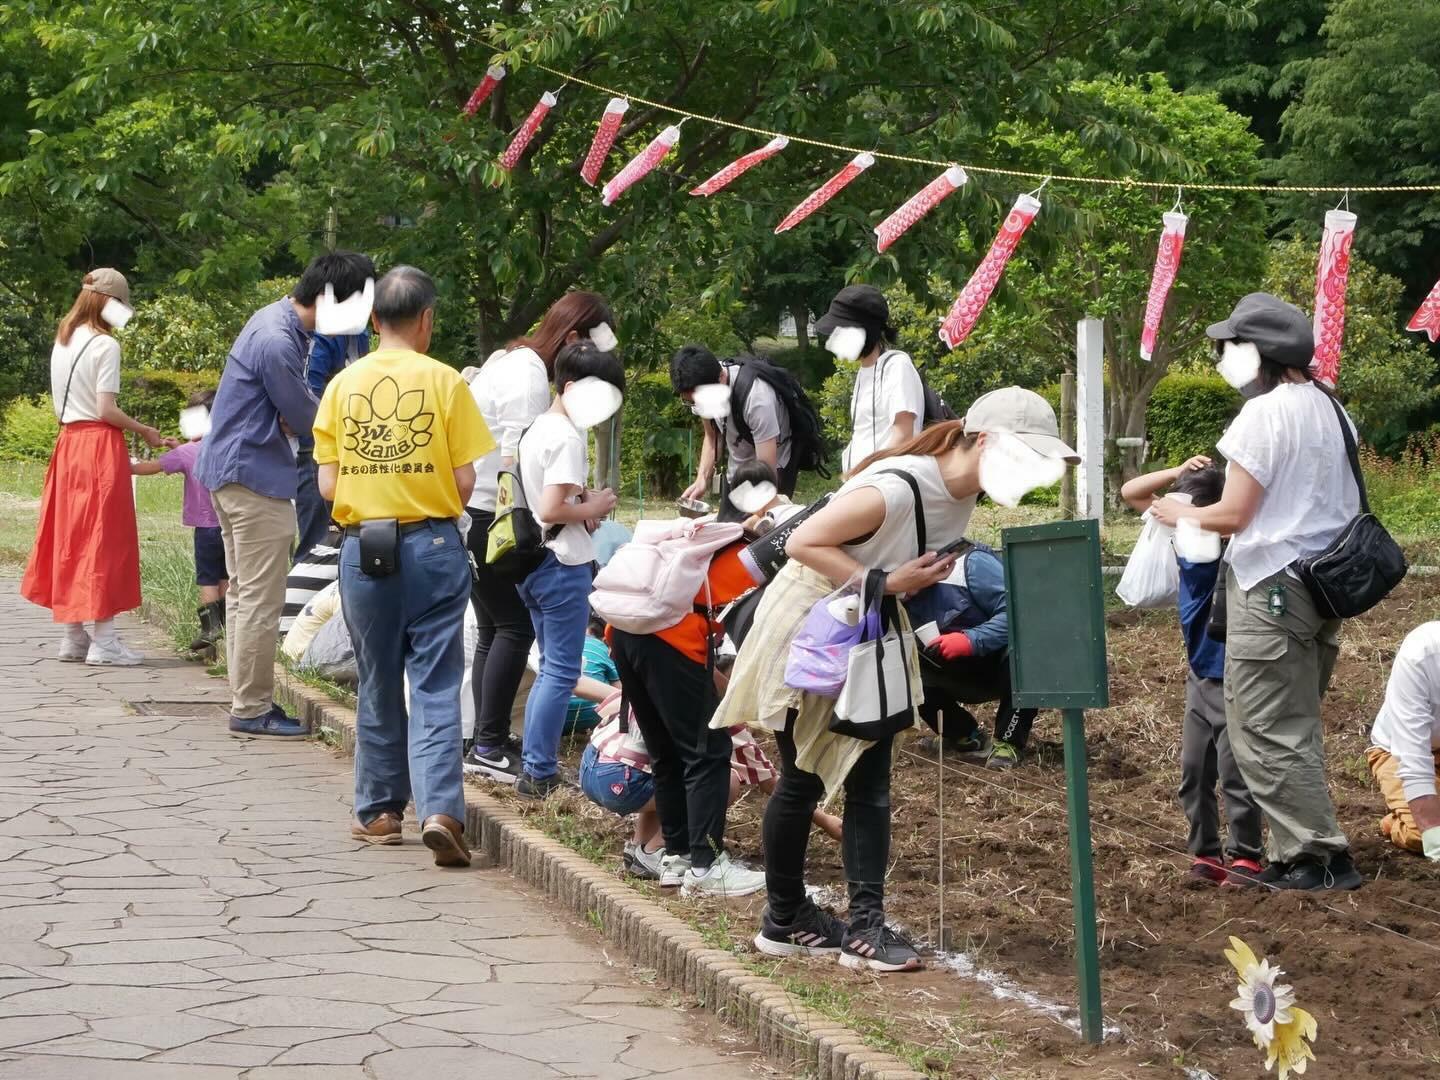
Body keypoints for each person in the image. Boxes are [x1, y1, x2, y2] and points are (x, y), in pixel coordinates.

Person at [715, 388, 1077, 971]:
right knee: (805, 777)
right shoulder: (895, 487)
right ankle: (792, 918)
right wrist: (883, 581)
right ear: (984, 441)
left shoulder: (960, 495)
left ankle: (850, 924)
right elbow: (805, 544)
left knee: (868, 777)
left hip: (869, 624)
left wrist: (893, 594)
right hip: (816, 627)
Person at [1150, 292, 1364, 892]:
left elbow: (1236, 514)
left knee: (1263, 726)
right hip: (1323, 587)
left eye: (1231, 349)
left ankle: (1316, 856)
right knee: (1296, 722)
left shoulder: (1264, 414)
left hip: (1272, 586)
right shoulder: (1331, 408)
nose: (1224, 360)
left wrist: (1178, 512)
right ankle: (1299, 849)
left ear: (1260, 353)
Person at [313, 265, 494, 869]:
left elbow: (326, 480)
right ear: (426, 321)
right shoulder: (446, 383)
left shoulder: (343, 385)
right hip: (433, 548)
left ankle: (381, 813)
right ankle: (441, 812)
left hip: (365, 548)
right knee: (436, 683)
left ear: (371, 321)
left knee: (377, 679)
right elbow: (466, 481)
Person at [198, 250, 375, 738]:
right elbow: (309, 418)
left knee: (242, 597)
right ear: (331, 300)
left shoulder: (277, 322)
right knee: (260, 599)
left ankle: (245, 698)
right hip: (253, 477)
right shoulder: (278, 341)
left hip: (235, 472)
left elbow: (297, 411)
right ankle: (252, 709)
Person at [462, 291, 618, 783]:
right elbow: (522, 476)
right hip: (503, 521)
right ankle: (498, 748)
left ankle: (486, 739)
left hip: (483, 514)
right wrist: (583, 508)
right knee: (515, 632)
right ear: (572, 341)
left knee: (496, 628)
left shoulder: (513, 363)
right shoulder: (531, 383)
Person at [1122, 458, 1263, 886]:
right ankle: (1206, 854)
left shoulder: (1231, 544)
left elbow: (1231, 520)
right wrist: (1176, 472)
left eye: (1186, 508)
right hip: (1200, 675)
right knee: (1194, 771)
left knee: (1235, 772)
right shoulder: (1183, 539)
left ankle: (1246, 856)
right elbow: (1131, 493)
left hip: (1233, 674)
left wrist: (1189, 514)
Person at [608, 530, 769, 898]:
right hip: (671, 638)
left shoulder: (694, 538)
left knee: (665, 753)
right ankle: (706, 866)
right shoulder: (751, 552)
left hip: (624, 631)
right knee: (708, 751)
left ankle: (676, 855)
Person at [23, 268, 167, 666]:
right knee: (104, 538)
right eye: (122, 304)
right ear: (109, 302)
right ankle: (105, 641)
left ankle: (74, 636)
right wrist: (146, 431)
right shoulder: (106, 346)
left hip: (68, 445)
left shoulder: (63, 339)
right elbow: (106, 409)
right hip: (98, 446)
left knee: (70, 536)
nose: (125, 312)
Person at [581, 684, 843, 882]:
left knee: (670, 769)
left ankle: (638, 849)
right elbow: (768, 781)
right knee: (721, 778)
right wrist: (826, 820)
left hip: (592, 766)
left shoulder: (660, 680)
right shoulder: (722, 716)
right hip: (623, 781)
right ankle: (657, 849)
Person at [514, 340, 623, 799]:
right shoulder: (565, 436)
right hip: (561, 565)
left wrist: (583, 507)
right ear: (572, 387)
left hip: (535, 563)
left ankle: (534, 764)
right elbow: (551, 507)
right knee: (560, 670)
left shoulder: (539, 426)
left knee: (551, 668)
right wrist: (594, 503)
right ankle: (538, 770)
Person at [906, 539, 1037, 770]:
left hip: (1000, 664)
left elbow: (1022, 612)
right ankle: (965, 736)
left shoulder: (970, 565)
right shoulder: (891, 588)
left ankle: (1009, 742)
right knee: (900, 667)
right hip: (948, 669)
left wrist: (970, 640)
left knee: (1029, 649)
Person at [131, 389, 229, 656]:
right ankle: (227, 626)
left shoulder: (187, 452)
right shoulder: (227, 445)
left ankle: (210, 630)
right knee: (225, 576)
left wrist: (127, 464)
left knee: (207, 578)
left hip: (205, 528)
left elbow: (151, 467)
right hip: (230, 527)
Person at [671, 345, 801, 518]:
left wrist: (755, 520)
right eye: (692, 402)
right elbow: (712, 437)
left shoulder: (758, 399)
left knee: (760, 535)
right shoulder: (702, 384)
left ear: (722, 377)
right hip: (737, 469)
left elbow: (766, 471)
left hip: (772, 470)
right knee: (726, 530)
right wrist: (702, 478)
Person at [813, 285, 925, 473]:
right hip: (863, 483)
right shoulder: (865, 371)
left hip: (885, 486)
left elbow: (903, 436)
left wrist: (870, 479)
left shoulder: (897, 367)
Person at [1366, 622, 1440, 859]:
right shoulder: (1423, 653)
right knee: (1422, 835)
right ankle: (1394, 822)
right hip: (1397, 751)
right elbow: (1413, 757)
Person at [295, 331, 371, 563]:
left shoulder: (360, 334)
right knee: (317, 542)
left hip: (356, 445)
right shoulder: (323, 334)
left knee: (353, 537)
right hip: (317, 447)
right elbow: (309, 390)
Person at [568, 616, 620, 735]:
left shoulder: (565, 641)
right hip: (590, 719)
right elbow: (620, 690)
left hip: (551, 717)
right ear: (605, 640)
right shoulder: (603, 648)